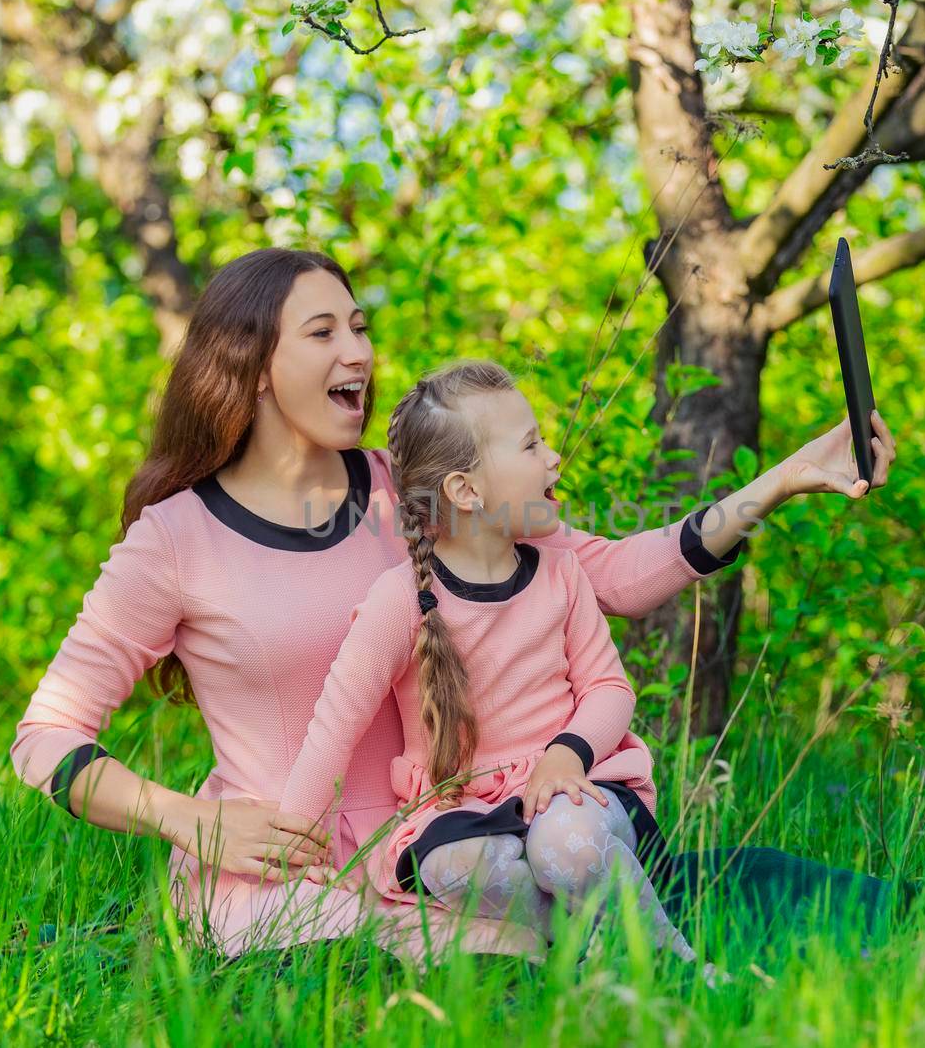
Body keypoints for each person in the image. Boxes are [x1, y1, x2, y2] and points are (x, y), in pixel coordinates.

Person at [7, 247, 899, 960]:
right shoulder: (175, 538)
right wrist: (195, 822)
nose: (358, 352)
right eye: (322, 333)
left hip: (453, 843)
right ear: (252, 368)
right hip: (292, 872)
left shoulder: (422, 490)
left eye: (358, 326)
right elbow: (45, 738)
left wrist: (780, 481)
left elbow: (612, 573)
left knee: (701, 887)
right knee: (517, 955)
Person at [278, 360, 694, 961]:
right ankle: (588, 951)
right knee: (452, 864)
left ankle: (674, 963)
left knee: (565, 844)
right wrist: (297, 843)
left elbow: (611, 689)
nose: (553, 458)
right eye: (530, 445)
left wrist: (567, 752)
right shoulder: (402, 602)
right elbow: (333, 729)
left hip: (573, 791)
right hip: (466, 808)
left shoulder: (561, 574)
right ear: (465, 491)